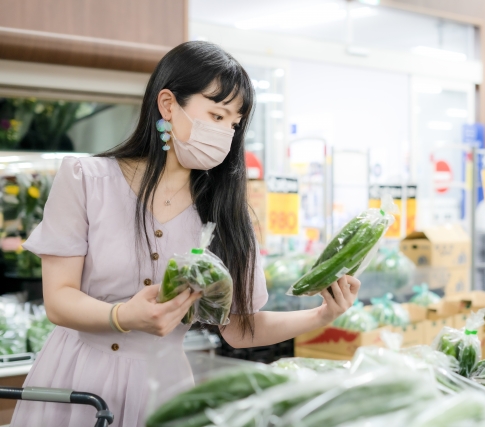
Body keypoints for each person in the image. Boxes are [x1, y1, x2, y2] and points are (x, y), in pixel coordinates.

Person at [11, 41, 360, 427]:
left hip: (163, 390)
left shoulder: (226, 213)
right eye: (216, 114)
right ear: (168, 105)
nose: (226, 132)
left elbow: (241, 329)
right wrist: (124, 315)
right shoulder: (85, 180)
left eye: (234, 123)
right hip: (77, 384)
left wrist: (324, 313)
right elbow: (58, 301)